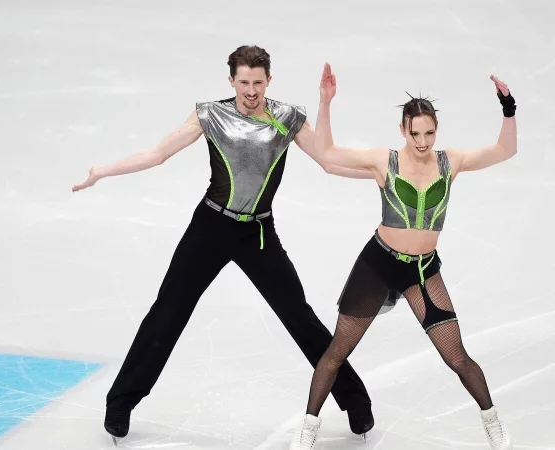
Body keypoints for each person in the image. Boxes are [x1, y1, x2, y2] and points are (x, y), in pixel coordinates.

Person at [71, 46, 376, 444]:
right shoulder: (211, 114)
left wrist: (337, 120)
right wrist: (102, 171)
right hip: (210, 228)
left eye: (258, 82)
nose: (251, 90)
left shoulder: (287, 118)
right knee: (167, 312)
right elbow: (158, 154)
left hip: (258, 234)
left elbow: (329, 161)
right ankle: (121, 403)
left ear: (270, 80)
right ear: (231, 80)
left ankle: (355, 401)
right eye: (244, 82)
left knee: (299, 316)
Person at [288, 63, 517, 450]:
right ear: (403, 131)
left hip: (424, 271)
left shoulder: (451, 161)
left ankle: (492, 423)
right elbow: (326, 153)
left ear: (436, 131)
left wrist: (507, 106)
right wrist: (325, 102)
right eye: (415, 133)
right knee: (337, 352)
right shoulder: (385, 161)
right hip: (378, 265)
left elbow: (505, 150)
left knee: (456, 355)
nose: (423, 141)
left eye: (429, 132)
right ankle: (308, 426)